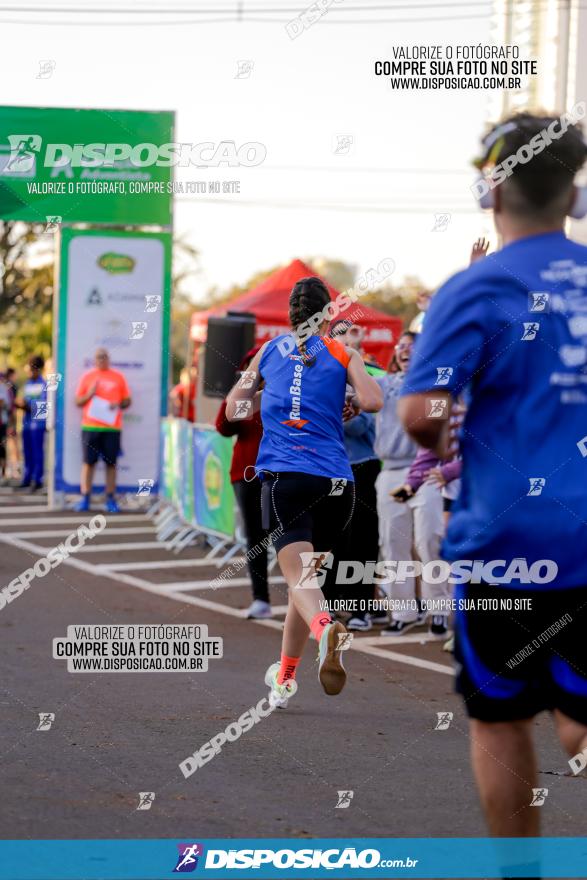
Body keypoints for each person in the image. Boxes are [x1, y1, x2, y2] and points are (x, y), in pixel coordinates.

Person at [398, 112, 587, 849]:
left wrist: (439, 432)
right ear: (571, 193)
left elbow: (418, 410)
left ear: (491, 189)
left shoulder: (477, 288)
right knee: (578, 714)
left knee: (502, 716)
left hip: (509, 540)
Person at [226, 276, 382, 707]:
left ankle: (326, 629)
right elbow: (373, 401)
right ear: (329, 313)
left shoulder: (270, 350)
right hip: (337, 483)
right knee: (306, 581)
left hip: (286, 481)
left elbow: (233, 410)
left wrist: (263, 392)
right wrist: (345, 393)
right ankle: (286, 677)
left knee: (298, 579)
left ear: (290, 314)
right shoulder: (341, 350)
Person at [324, 319, 385, 631]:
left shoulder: (372, 375)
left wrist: (349, 409)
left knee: (362, 539)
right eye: (340, 334)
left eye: (352, 334)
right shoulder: (321, 373)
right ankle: (330, 606)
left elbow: (366, 427)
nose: (347, 339)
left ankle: (361, 607)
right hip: (328, 468)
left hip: (361, 466)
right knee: (329, 540)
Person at [373, 332, 425, 635]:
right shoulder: (385, 383)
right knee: (394, 544)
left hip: (427, 472)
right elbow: (357, 381)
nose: (404, 351)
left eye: (412, 347)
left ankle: (437, 611)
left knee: (428, 543)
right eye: (401, 346)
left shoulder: (434, 382)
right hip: (391, 471)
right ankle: (403, 612)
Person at [215, 346, 271, 620]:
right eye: (252, 368)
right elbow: (223, 426)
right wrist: (246, 387)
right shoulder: (244, 398)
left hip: (283, 476)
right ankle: (261, 599)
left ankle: (308, 599)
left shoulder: (284, 391)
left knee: (294, 537)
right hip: (246, 476)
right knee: (255, 538)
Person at [74, 348, 131, 513]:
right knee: (88, 463)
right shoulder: (88, 377)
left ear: (109, 358)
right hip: (90, 427)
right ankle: (85, 498)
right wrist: (90, 394)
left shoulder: (118, 377)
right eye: (98, 357)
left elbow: (127, 400)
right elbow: (78, 401)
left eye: (104, 357)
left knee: (111, 464)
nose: (102, 360)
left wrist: (118, 404)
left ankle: (110, 498)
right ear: (94, 359)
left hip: (112, 428)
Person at [14, 355, 47, 492]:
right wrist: (19, 403)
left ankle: (37, 479)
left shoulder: (44, 384)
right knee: (26, 452)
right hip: (26, 423)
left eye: (31, 369)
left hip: (38, 424)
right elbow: (22, 400)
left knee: (37, 452)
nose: (29, 372)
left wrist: (28, 405)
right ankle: (26, 478)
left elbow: (44, 406)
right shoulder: (27, 384)